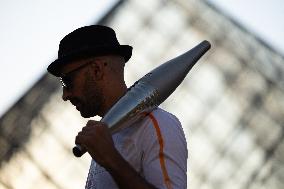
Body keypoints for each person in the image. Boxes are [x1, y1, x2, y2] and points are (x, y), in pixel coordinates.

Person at [47, 25, 188, 189]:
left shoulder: (156, 124)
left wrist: (110, 158)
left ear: (97, 69)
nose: (65, 95)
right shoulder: (104, 136)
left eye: (67, 81)